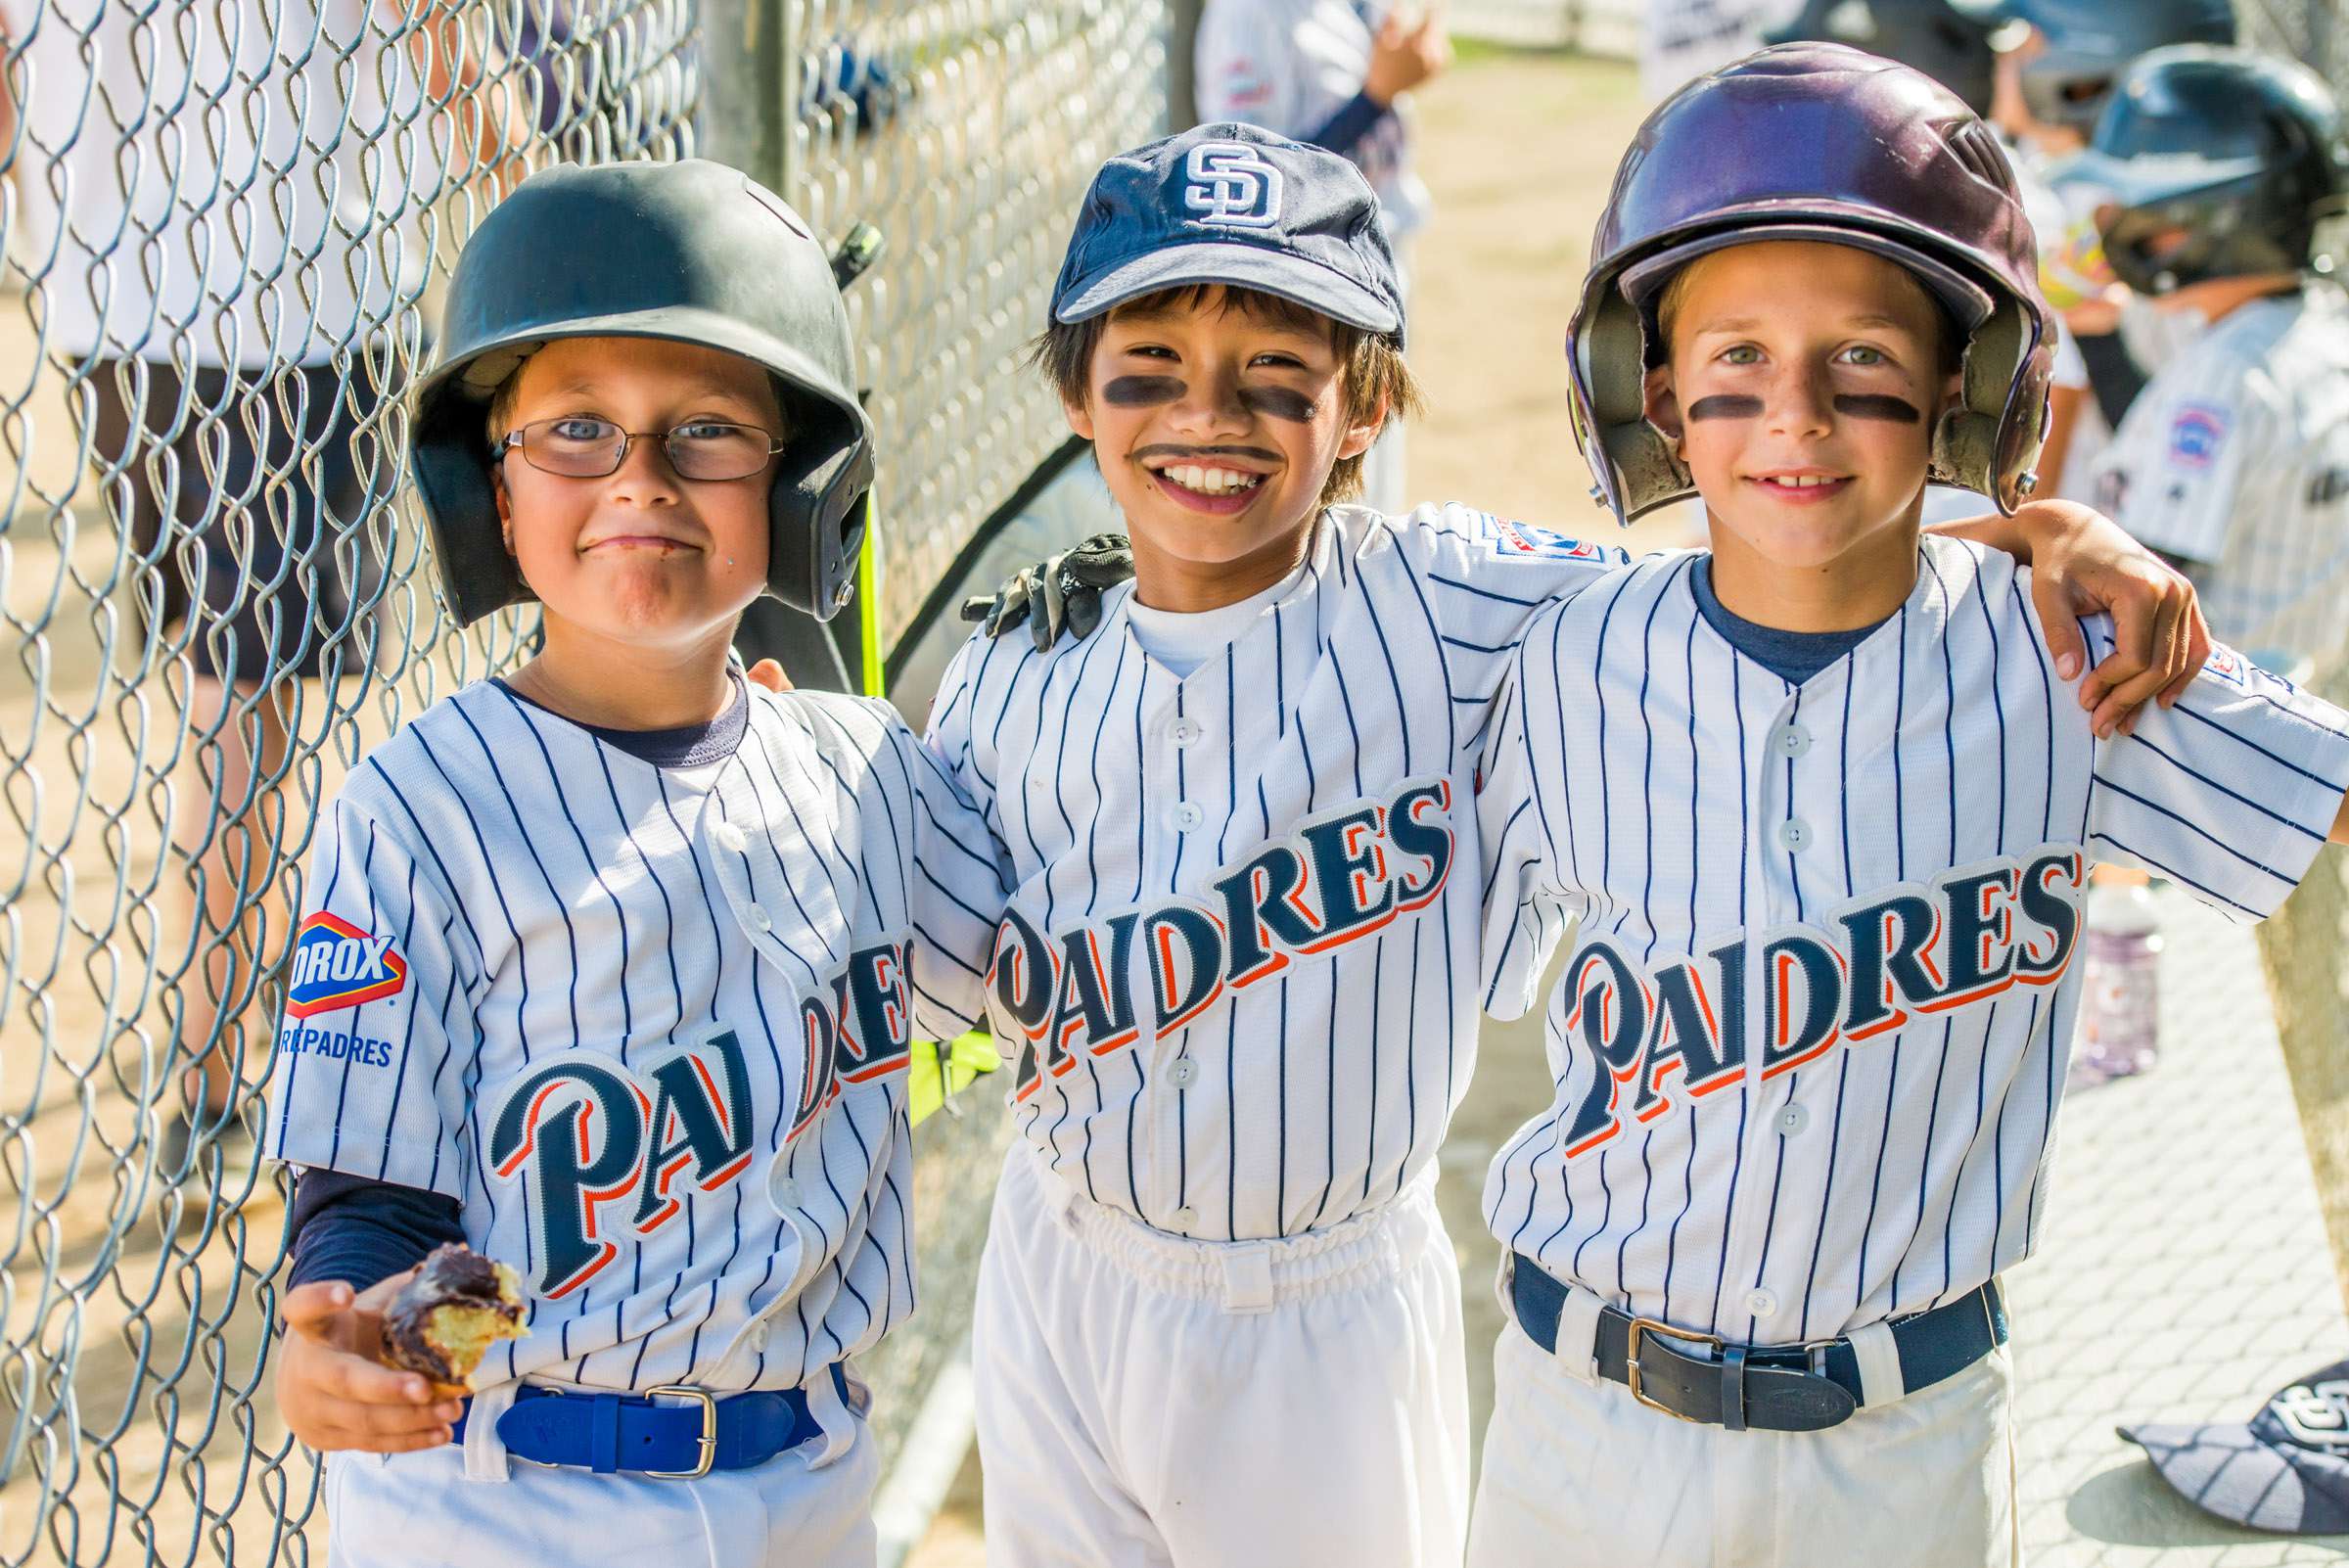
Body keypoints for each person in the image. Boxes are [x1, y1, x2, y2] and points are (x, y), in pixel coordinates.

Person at [943, 119, 2200, 1568]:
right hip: (1055, 1253)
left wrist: (2038, 532)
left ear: (1364, 407)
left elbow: (1770, 562)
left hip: (1315, 1290)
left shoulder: (1464, 597)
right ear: (1073, 396)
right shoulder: (1016, 661)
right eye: (1144, 374)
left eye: (1277, 378)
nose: (1206, 419)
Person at [1466, 44, 2349, 1566]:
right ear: (1655, 393)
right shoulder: (1552, 648)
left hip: (1904, 1449)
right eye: (1731, 365)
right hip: (1580, 1426)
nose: (1793, 416)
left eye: (1862, 366)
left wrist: (2059, 539)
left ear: (1961, 380)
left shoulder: (2068, 656)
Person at [257, 160, 1008, 1567]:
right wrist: (335, 1319)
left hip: (812, 1478)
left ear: (798, 477)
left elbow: (1059, 968)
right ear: (489, 482)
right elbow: (367, 1191)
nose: (642, 482)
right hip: (504, 1498)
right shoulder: (420, 804)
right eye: (578, 432)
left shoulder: (866, 773)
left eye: (708, 431)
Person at [0, 0, 507, 1174]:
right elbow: (438, 36)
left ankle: (228, 990)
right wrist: (541, 184)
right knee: (244, 699)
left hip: (110, 298)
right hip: (290, 304)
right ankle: (211, 1078)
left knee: (218, 667)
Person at [2062, 45, 2349, 683]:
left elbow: (2135, 589)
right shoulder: (2320, 329)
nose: (2113, 218)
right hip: (2302, 704)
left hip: (2212, 723)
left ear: (2210, 213)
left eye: (2136, 199)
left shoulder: (2225, 380)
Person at [1192, 0, 1448, 513]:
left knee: (1376, 468)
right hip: (1313, 278)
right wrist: (1376, 95)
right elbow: (1251, 171)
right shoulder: (1248, 18)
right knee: (1336, 479)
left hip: (1377, 256)